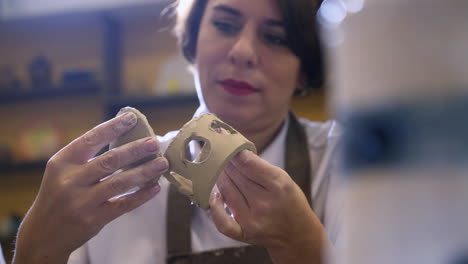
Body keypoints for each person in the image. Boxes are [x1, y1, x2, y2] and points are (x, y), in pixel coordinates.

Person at [12, 0, 342, 263]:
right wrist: (34, 252)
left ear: (304, 70)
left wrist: (305, 247)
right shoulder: (120, 182)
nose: (242, 52)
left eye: (276, 38)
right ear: (193, 40)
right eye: (225, 25)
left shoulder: (346, 162)